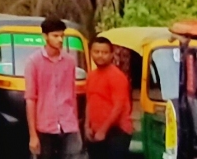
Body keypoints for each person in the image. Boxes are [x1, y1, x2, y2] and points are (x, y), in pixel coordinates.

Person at [25, 16, 82, 158]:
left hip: (68, 126)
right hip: (45, 127)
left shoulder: (69, 61)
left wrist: (76, 126)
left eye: (62, 36)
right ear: (45, 36)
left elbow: (72, 94)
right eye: (55, 36)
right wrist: (33, 135)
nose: (60, 40)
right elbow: (31, 99)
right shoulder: (34, 62)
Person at [83, 35, 133, 159]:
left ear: (111, 55)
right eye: (97, 52)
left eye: (104, 52)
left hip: (117, 131)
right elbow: (90, 101)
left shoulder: (117, 76)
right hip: (96, 131)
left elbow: (118, 107)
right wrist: (87, 125)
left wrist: (103, 130)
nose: (100, 55)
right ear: (91, 53)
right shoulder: (91, 75)